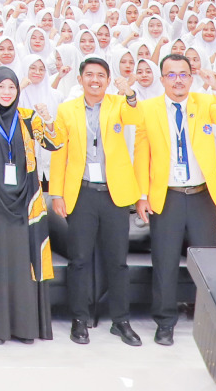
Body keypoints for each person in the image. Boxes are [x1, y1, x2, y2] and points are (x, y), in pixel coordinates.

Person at [132, 52, 216, 345]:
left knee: (206, 262)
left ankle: (207, 320)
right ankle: (165, 322)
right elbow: (141, 155)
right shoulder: (147, 109)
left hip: (202, 195)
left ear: (191, 78)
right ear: (162, 79)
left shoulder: (204, 102)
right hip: (167, 196)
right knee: (164, 261)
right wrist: (142, 196)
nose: (178, 80)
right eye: (171, 75)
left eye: (183, 74)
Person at [46, 55, 142, 346]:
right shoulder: (67, 110)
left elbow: (136, 118)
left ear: (108, 80)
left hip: (114, 194)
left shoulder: (118, 104)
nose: (95, 80)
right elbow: (59, 152)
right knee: (79, 260)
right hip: (82, 193)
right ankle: (79, 319)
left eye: (101, 75)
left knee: (118, 261)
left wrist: (129, 94)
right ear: (80, 79)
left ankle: (121, 320)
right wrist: (56, 193)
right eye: (89, 74)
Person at [0, 66, 57, 344]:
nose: (6, 92)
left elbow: (54, 144)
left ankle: (24, 328)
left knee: (22, 263)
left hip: (25, 203)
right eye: (0, 87)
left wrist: (48, 120)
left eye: (11, 87)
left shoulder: (29, 118)